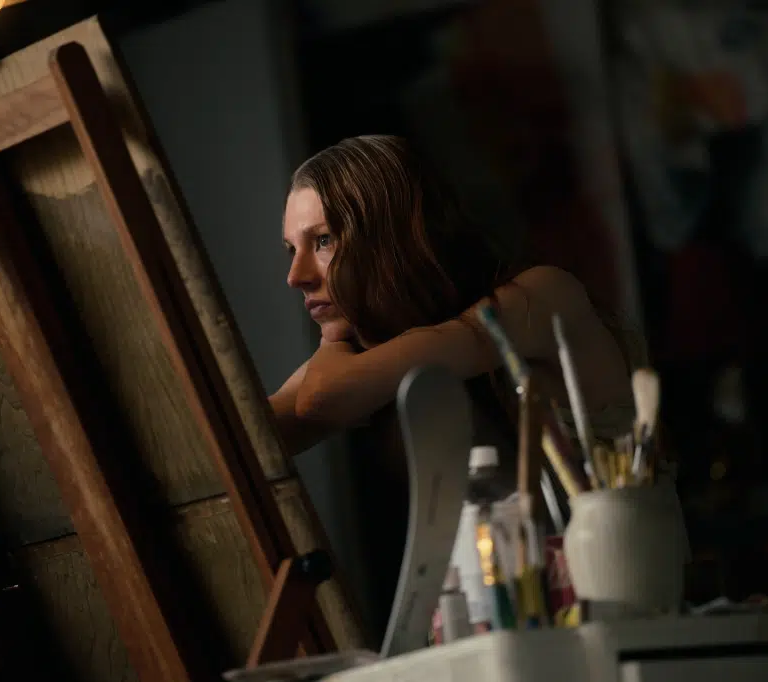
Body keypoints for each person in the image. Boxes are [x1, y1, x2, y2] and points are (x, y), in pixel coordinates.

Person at [269, 134, 639, 640]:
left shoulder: (540, 297)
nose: (296, 276)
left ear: (389, 238)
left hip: (619, 624)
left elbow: (320, 398)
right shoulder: (371, 357)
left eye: (323, 241)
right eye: (292, 249)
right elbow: (252, 439)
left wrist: (333, 337)